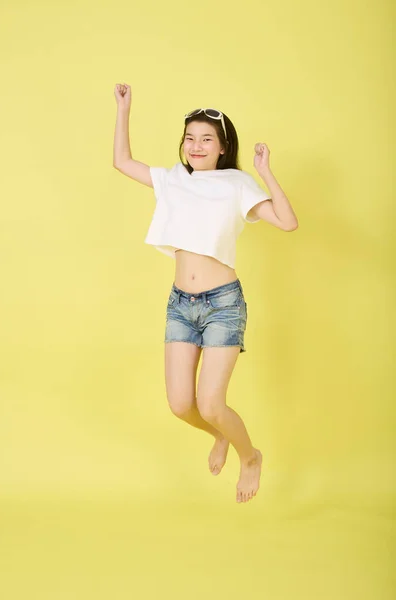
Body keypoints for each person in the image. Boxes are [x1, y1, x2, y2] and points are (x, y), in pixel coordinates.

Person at [113, 84, 298, 503]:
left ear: (222, 147)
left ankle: (249, 456)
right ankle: (222, 437)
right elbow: (122, 161)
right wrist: (124, 109)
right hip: (180, 304)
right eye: (190, 138)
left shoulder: (237, 183)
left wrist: (265, 171)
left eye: (206, 139)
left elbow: (287, 223)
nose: (196, 146)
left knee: (211, 403)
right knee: (181, 405)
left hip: (222, 305)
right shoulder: (173, 180)